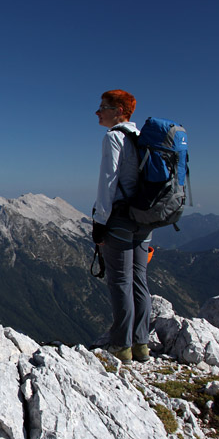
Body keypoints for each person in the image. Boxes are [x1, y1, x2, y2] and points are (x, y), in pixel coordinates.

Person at [92, 89, 151, 364]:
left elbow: (108, 182)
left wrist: (99, 223)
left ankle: (121, 346)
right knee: (139, 279)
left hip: (120, 219)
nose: (97, 112)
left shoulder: (114, 137)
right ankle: (141, 344)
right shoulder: (142, 139)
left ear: (119, 112)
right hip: (146, 218)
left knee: (120, 281)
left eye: (103, 107)